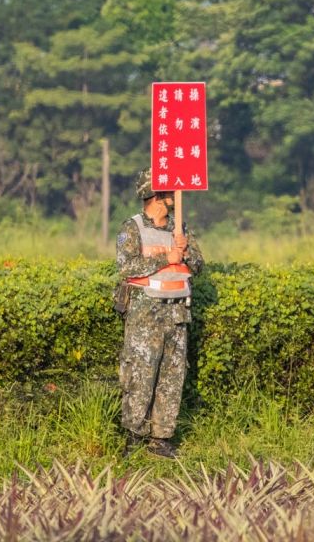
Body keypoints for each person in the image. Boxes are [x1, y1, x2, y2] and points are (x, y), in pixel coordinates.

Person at [114, 169, 204, 458]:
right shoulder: (133, 228)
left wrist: (186, 252)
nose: (173, 198)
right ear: (153, 195)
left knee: (171, 376)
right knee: (140, 374)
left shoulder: (181, 229)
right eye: (167, 193)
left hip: (176, 312)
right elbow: (126, 267)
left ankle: (161, 438)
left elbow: (198, 266)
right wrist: (167, 257)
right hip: (144, 314)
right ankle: (134, 436)